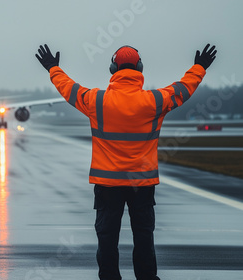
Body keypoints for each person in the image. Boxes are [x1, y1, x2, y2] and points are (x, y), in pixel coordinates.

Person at [35, 43, 217, 280]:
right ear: (140, 67)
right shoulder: (155, 101)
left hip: (107, 185)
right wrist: (199, 67)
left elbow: (69, 89)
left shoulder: (96, 100)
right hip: (141, 184)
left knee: (107, 239)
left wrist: (53, 68)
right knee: (143, 237)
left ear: (113, 68)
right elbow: (183, 89)